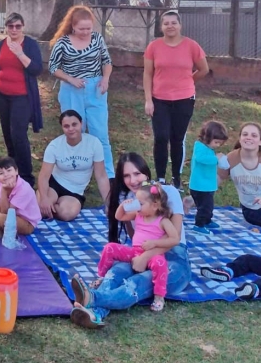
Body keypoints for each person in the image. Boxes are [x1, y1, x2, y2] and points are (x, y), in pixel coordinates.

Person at [71, 153, 191, 329]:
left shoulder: (168, 193)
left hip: (172, 258)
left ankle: (93, 298)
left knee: (138, 282)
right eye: (126, 175)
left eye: (137, 174)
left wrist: (146, 256)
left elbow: (175, 237)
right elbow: (135, 235)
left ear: (146, 174)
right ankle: (94, 314)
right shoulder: (130, 200)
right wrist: (139, 256)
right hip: (141, 252)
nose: (132, 180)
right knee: (115, 273)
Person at [143, 10, 209, 188]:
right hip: (159, 99)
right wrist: (148, 100)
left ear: (180, 25)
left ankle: (176, 179)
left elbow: (204, 69)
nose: (170, 26)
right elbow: (148, 73)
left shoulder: (191, 46)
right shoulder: (154, 46)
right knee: (161, 137)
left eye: (174, 22)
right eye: (166, 23)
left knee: (177, 139)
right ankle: (161, 178)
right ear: (161, 27)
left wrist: (188, 80)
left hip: (184, 99)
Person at [49, 5, 114, 178]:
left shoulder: (97, 39)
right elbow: (53, 67)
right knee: (74, 132)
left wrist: (105, 78)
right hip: (72, 90)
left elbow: (107, 61)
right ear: (72, 26)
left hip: (96, 89)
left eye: (88, 28)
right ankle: (73, 173)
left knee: (100, 134)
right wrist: (70, 79)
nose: (85, 32)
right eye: (81, 29)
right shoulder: (62, 43)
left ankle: (108, 175)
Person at [96, 182, 178, 312]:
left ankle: (159, 296)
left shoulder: (163, 221)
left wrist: (155, 243)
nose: (137, 205)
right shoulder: (138, 214)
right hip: (134, 251)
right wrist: (123, 206)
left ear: (155, 206)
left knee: (161, 264)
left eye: (140, 203)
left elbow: (174, 239)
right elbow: (119, 216)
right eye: (136, 201)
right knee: (110, 247)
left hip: (152, 254)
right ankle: (101, 276)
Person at [0, 12, 44, 186]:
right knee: (7, 135)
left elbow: (37, 69)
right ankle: (11, 173)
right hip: (2, 95)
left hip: (21, 97)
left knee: (18, 135)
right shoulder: (1, 45)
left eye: (18, 26)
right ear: (6, 27)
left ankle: (27, 177)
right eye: (10, 26)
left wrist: (21, 54)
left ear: (23, 27)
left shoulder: (30, 45)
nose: (14, 29)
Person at [36, 110, 111, 222]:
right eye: (66, 126)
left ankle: (50, 206)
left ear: (81, 123)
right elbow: (44, 176)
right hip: (55, 184)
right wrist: (45, 198)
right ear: (62, 128)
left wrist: (109, 203)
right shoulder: (54, 146)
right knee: (42, 208)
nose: (71, 129)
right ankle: (42, 201)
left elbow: (101, 176)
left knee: (67, 214)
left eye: (74, 124)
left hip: (76, 190)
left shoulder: (94, 144)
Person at [0, 156, 41, 238]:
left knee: (0, 219)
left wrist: (4, 191)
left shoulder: (24, 188)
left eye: (9, 170)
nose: (6, 175)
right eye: (1, 173)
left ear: (16, 171)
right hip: (6, 215)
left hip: (26, 222)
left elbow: (7, 213)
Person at [188, 120, 229, 234]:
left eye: (220, 143)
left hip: (208, 185)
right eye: (216, 142)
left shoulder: (209, 149)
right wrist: (217, 159)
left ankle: (207, 220)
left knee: (209, 206)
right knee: (204, 207)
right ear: (207, 137)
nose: (218, 145)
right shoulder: (199, 147)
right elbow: (201, 159)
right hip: (199, 186)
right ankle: (199, 224)